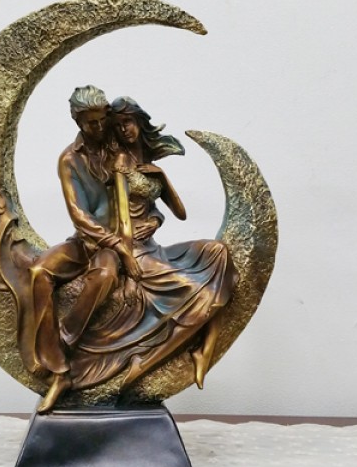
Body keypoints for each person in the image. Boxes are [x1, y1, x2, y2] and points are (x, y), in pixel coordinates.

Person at [66, 97, 239, 391]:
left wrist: (160, 186)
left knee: (218, 253)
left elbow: (180, 213)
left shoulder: (145, 163)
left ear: (139, 121)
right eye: (118, 125)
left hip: (153, 246)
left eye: (128, 122)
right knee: (199, 290)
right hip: (132, 247)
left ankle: (205, 349)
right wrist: (126, 259)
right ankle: (148, 361)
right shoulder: (120, 163)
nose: (124, 130)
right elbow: (123, 217)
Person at [24, 85, 142, 412]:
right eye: (92, 122)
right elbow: (79, 214)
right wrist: (114, 242)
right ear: (78, 121)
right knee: (38, 271)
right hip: (86, 240)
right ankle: (59, 370)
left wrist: (127, 242)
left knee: (104, 275)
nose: (100, 127)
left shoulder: (120, 149)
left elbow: (147, 186)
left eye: (103, 120)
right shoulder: (69, 160)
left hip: (112, 248)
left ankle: (63, 340)